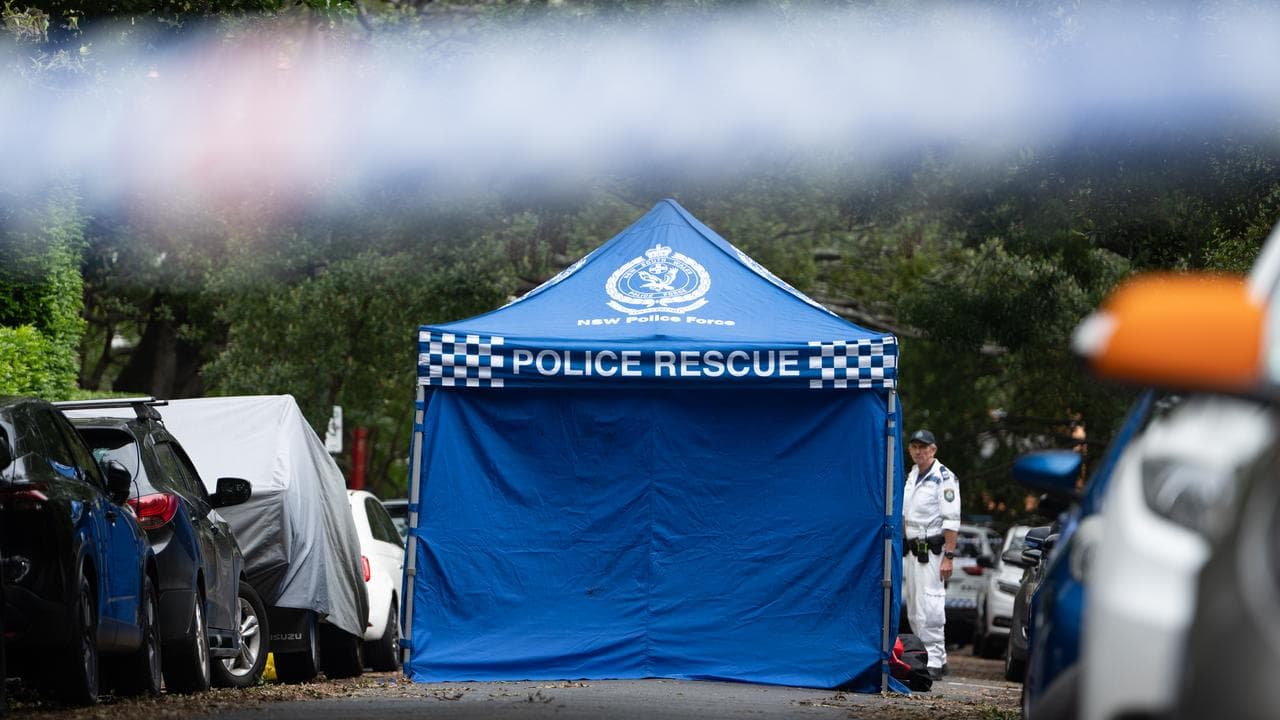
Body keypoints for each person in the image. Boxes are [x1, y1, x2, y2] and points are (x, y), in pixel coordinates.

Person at [901, 428, 961, 681]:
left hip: (933, 551)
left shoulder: (944, 477)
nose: (919, 452)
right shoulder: (913, 475)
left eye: (923, 447)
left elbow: (951, 520)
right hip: (913, 551)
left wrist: (949, 555)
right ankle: (927, 657)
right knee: (915, 609)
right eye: (915, 447)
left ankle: (934, 659)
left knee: (931, 607)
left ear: (933, 449)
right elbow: (905, 514)